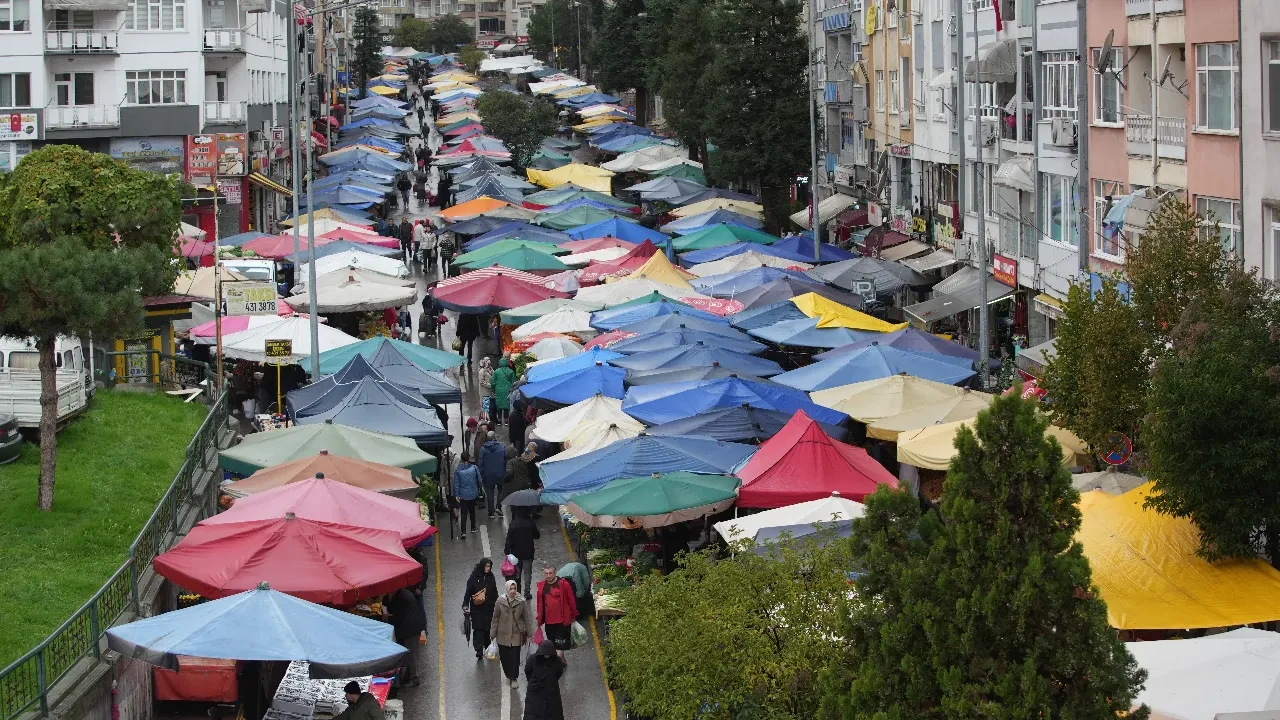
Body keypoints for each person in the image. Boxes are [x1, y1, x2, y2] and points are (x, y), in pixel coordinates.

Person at [490, 579, 531, 688]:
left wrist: (530, 632)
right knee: (505, 657)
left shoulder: (521, 601)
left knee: (514, 657)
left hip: (516, 633)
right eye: (511, 588)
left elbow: (526, 618)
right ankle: (509, 674)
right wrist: (492, 633)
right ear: (507, 589)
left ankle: (513, 678)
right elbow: (495, 618)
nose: (513, 591)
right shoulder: (500, 601)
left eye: (514, 588)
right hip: (502, 634)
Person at [385, 587, 426, 686]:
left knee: (412, 655)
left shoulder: (401, 598)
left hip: (410, 630)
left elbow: (399, 617)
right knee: (411, 654)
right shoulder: (404, 594)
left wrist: (388, 617)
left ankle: (414, 678)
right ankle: (409, 675)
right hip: (413, 628)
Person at [535, 564, 577, 660]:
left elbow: (571, 600)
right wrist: (539, 617)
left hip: (562, 621)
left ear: (555, 573)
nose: (548, 575)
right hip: (549, 622)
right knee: (552, 643)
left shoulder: (564, 584)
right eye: (546, 573)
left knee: (560, 643)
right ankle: (561, 660)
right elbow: (539, 604)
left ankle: (558, 663)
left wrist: (573, 615)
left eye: (550, 573)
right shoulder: (542, 587)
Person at [463, 558, 499, 660]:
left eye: (489, 566)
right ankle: (479, 650)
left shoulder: (491, 577)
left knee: (487, 629)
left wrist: (497, 604)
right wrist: (465, 605)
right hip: (477, 609)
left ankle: (487, 648)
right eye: (486, 566)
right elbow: (468, 592)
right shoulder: (473, 577)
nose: (488, 568)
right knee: (479, 629)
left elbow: (494, 591)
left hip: (489, 608)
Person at [522, 640, 566, 720]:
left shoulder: (557, 661)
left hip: (551, 694)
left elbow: (559, 672)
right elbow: (528, 672)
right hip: (536, 693)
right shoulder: (532, 659)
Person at [503, 507, 540, 597]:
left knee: (517, 573)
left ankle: (517, 592)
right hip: (528, 552)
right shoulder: (530, 522)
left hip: (516, 554)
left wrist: (507, 551)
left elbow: (509, 539)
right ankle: (527, 592)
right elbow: (537, 535)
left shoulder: (513, 524)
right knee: (527, 573)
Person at [478, 431, 506, 518]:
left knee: (490, 493)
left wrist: (481, 475)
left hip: (488, 474)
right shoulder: (501, 447)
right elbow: (505, 460)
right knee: (500, 491)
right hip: (500, 473)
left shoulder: (483, 449)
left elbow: (481, 463)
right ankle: (499, 507)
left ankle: (491, 513)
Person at [453, 452, 481, 539]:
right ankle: (473, 528)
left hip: (463, 495)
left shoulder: (458, 470)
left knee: (464, 512)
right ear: (468, 458)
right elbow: (479, 480)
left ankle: (463, 532)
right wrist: (479, 488)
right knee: (472, 511)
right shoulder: (474, 468)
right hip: (473, 493)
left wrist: (457, 494)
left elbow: (456, 484)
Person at [491, 357, 517, 425]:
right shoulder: (511, 371)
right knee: (507, 404)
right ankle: (506, 420)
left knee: (499, 404)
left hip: (498, 390)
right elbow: (514, 382)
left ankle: (499, 420)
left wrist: (493, 390)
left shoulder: (496, 371)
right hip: (508, 390)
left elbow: (492, 382)